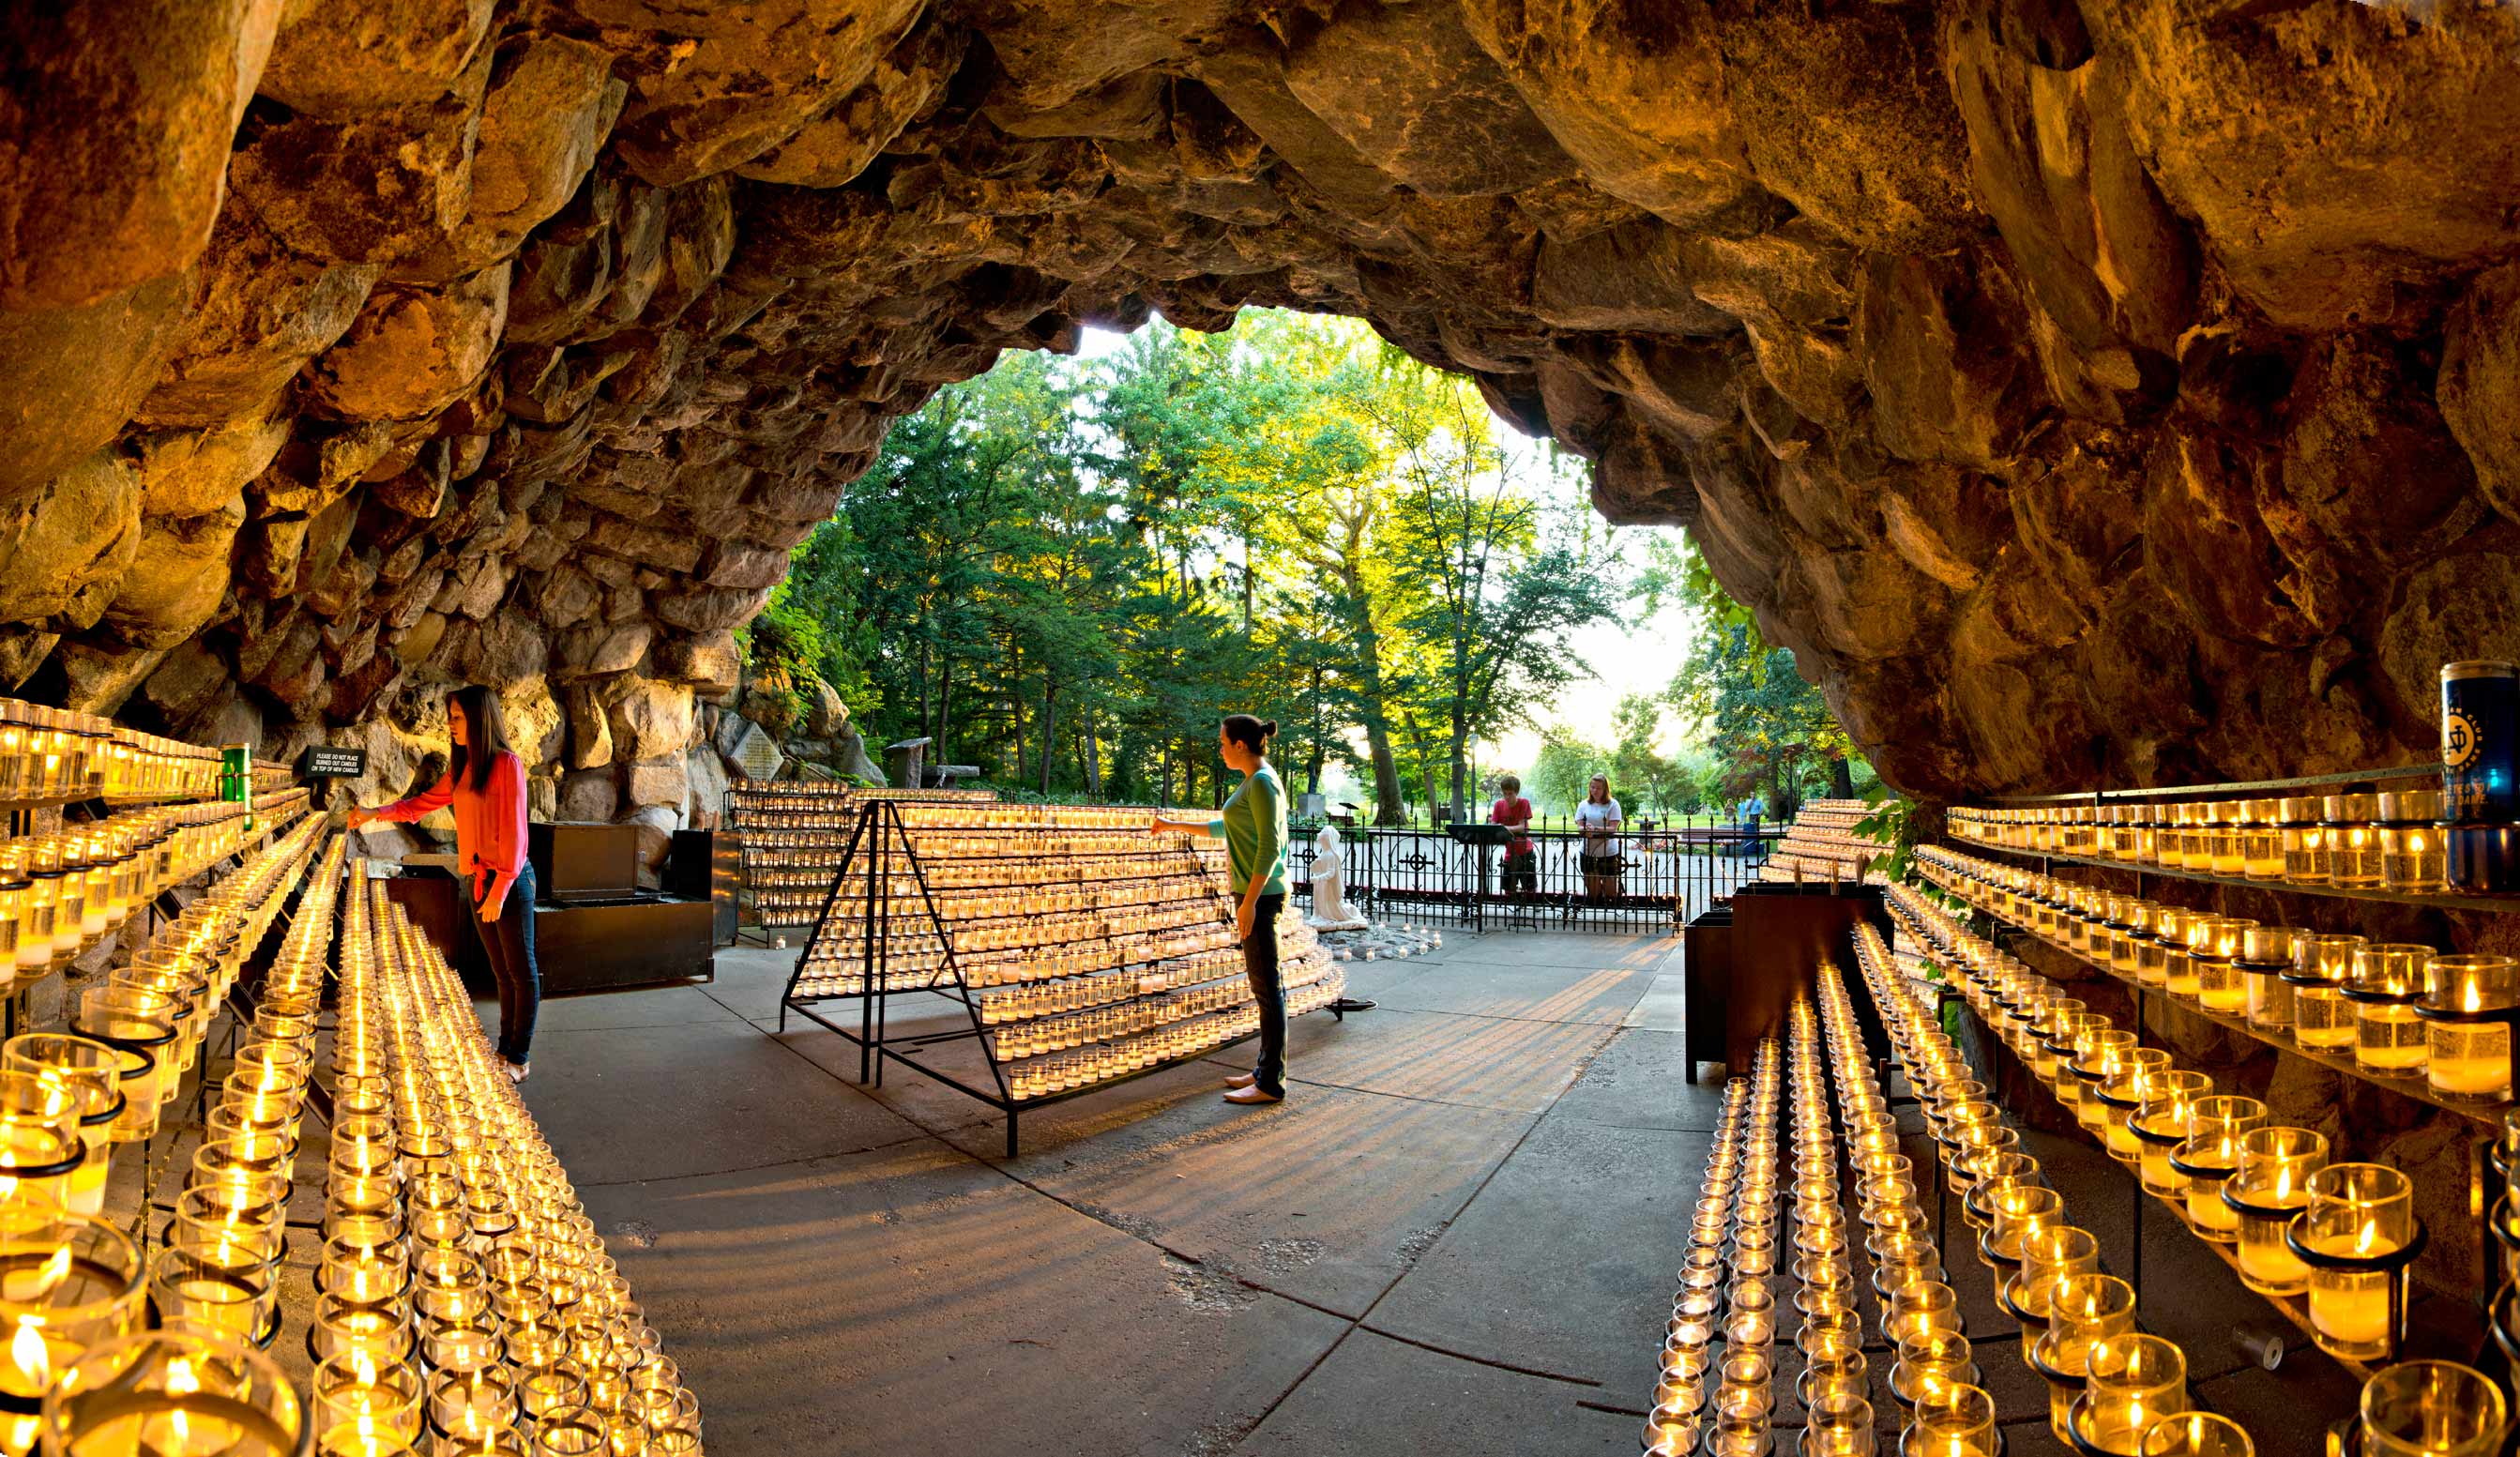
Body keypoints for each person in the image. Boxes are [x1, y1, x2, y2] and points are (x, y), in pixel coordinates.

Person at [346, 686, 539, 1082]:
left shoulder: (507, 764)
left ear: (479, 719)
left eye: (456, 717)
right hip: (475, 879)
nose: (450, 724)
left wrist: (500, 890)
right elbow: (420, 804)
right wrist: (373, 813)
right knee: (500, 973)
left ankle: (519, 1058)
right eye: (450, 716)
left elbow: (516, 837)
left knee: (522, 971)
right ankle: (503, 1052)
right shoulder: (463, 767)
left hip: (509, 881)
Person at [1150, 714, 1288, 1105]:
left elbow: (1270, 847)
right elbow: (1224, 828)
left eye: (1223, 742)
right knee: (1265, 987)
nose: (1221, 748)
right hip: (1255, 895)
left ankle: (1270, 1083)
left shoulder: (1261, 782)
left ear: (1240, 745)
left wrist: (1248, 903)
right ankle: (1265, 1069)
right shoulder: (1255, 781)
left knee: (1268, 989)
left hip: (1259, 896)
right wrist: (1174, 825)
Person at [1576, 774, 1625, 900]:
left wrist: (1596, 829)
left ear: (1605, 789)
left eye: (1598, 788)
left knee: (1611, 893)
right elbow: (1580, 827)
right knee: (1594, 893)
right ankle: (1597, 910)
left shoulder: (1613, 804)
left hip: (1608, 851)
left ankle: (1615, 899)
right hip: (1587, 851)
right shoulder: (1583, 805)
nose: (1595, 791)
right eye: (1592, 787)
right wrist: (1585, 829)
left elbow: (1613, 828)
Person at [1490, 774, 1536, 896]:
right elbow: (1493, 826)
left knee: (1530, 888)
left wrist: (1504, 828)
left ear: (1516, 792)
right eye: (1505, 793)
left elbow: (1522, 826)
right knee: (1508, 888)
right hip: (1510, 851)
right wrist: (1503, 829)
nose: (1507, 797)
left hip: (1526, 849)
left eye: (1510, 793)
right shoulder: (1498, 805)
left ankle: (1531, 904)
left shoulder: (1524, 803)